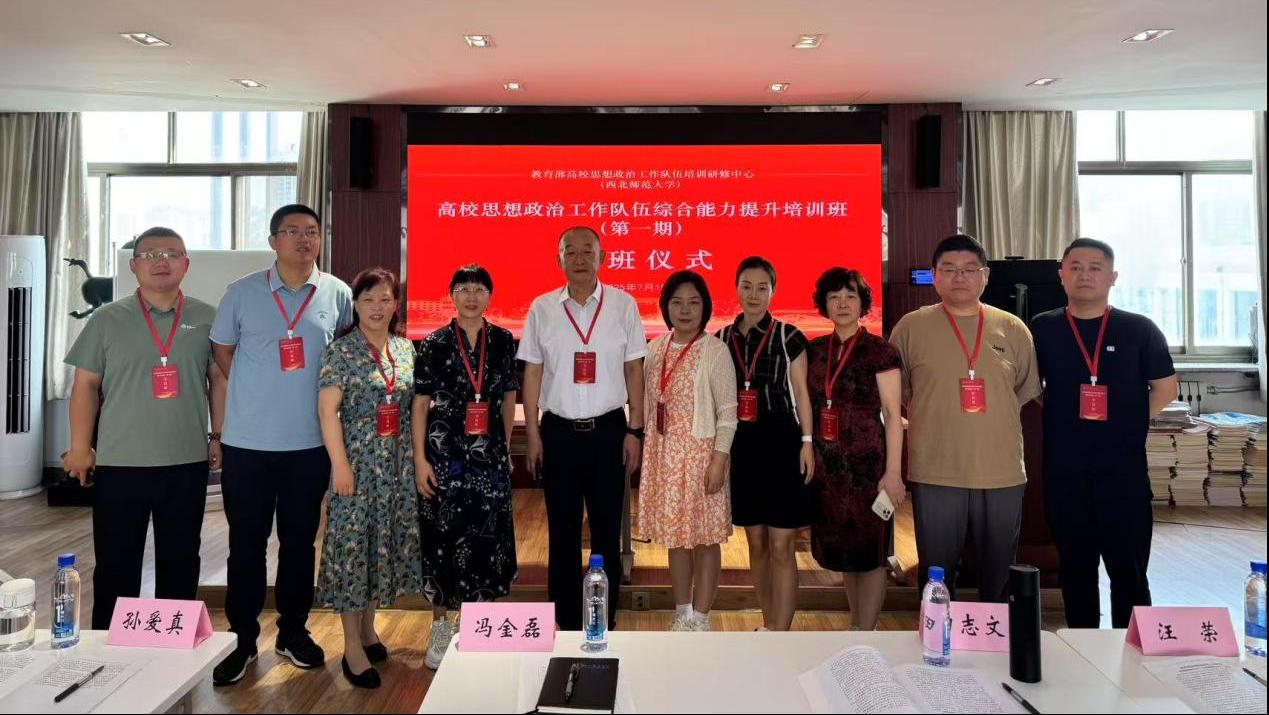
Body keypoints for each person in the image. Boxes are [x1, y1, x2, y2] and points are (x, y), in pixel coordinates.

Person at [210, 204, 353, 686]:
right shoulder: (241, 293)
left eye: (311, 231)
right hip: (247, 444)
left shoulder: (337, 293)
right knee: (246, 545)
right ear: (273, 240)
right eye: (292, 231)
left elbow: (345, 355)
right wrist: (256, 389)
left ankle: (293, 632)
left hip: (309, 445)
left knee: (298, 544)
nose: (303, 239)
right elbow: (223, 352)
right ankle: (242, 639)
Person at [62, 227, 224, 630]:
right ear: (133, 265)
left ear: (186, 264)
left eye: (171, 253)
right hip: (120, 464)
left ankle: (172, 651)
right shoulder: (106, 319)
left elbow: (218, 380)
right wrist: (80, 448)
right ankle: (111, 652)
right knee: (116, 565)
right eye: (150, 254)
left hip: (185, 461)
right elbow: (85, 386)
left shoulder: (207, 317)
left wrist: (218, 435)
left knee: (180, 562)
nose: (161, 261)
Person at [1031, 238, 1177, 628]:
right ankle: (1083, 648)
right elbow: (1033, 387)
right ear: (1061, 275)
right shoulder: (1042, 328)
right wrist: (1064, 411)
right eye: (1075, 267)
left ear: (1112, 277)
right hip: (1065, 472)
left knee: (1129, 572)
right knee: (1075, 569)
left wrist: (1128, 419)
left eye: (1095, 268)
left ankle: (1132, 649)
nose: (1085, 275)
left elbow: (1166, 388)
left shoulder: (1139, 329)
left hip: (1123, 473)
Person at [889, 234, 1041, 603]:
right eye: (949, 269)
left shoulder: (1012, 328)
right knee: (936, 573)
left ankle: (994, 637)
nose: (960, 277)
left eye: (970, 269)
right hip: (936, 469)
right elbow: (901, 393)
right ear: (934, 276)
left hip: (1001, 470)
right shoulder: (911, 327)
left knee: (999, 573)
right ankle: (937, 636)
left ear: (985, 276)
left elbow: (1023, 389)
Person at [517, 226, 648, 630]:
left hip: (609, 432)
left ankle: (603, 623)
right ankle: (566, 625)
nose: (579, 259)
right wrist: (533, 434)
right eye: (569, 252)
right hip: (558, 434)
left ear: (602, 257)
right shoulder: (542, 309)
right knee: (563, 533)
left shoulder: (623, 305)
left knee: (607, 532)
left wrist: (635, 431)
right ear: (558, 259)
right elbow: (533, 374)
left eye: (587, 251)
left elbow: (634, 370)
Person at [315, 268, 422, 688]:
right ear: (355, 305)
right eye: (368, 299)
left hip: (395, 465)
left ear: (396, 304)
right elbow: (328, 413)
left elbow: (413, 407)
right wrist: (339, 466)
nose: (377, 307)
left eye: (385, 299)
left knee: (381, 545)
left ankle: (368, 629)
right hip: (356, 466)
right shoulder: (340, 351)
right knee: (352, 549)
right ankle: (351, 648)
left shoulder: (405, 349)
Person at [412, 264, 519, 668]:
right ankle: (440, 626)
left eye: (479, 289)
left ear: (489, 296)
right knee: (443, 536)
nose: (471, 296)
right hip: (445, 456)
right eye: (463, 289)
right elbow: (420, 404)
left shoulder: (503, 340)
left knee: (486, 537)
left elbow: (508, 398)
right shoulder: (434, 343)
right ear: (451, 295)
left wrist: (503, 448)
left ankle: (479, 626)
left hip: (488, 457)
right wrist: (420, 459)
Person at [715, 256, 814, 631]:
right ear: (736, 289)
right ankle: (769, 622)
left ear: (773, 291)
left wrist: (807, 442)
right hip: (742, 445)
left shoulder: (789, 336)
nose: (753, 294)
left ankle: (782, 632)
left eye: (762, 288)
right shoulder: (721, 339)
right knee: (755, 542)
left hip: (782, 441)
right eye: (747, 286)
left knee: (782, 544)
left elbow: (802, 394)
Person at [806, 268, 904, 630]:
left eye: (850, 296)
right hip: (828, 468)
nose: (842, 303)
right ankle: (855, 623)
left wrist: (893, 474)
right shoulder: (815, 351)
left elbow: (892, 415)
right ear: (824, 304)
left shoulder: (881, 351)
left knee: (872, 552)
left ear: (863, 303)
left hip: (869, 467)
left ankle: (868, 629)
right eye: (834, 297)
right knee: (845, 552)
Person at [639, 271, 737, 631]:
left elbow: (728, 414)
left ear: (704, 307)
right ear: (666, 307)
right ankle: (682, 615)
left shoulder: (715, 351)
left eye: (693, 303)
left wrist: (719, 460)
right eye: (677, 302)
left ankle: (702, 618)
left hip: (701, 457)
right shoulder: (655, 349)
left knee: (705, 539)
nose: (685, 310)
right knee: (676, 538)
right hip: (664, 456)